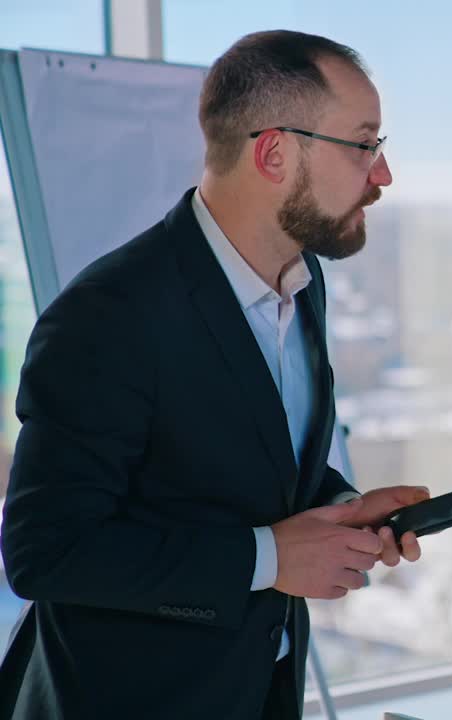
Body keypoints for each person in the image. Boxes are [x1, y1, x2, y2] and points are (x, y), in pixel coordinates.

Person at [0, 30, 429, 719]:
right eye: (364, 145)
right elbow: (48, 553)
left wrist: (345, 512)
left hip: (262, 693)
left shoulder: (305, 282)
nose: (382, 175)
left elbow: (251, 466)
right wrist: (268, 560)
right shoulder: (108, 318)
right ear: (275, 152)